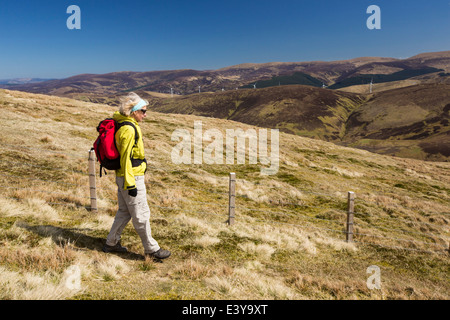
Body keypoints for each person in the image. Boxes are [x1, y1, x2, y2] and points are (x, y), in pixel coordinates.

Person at [103, 92, 171, 260]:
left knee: (124, 212)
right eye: (143, 111)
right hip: (131, 178)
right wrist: (130, 183)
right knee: (141, 214)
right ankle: (152, 249)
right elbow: (126, 158)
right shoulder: (128, 129)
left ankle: (111, 243)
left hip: (126, 177)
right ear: (133, 111)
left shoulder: (128, 125)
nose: (145, 115)